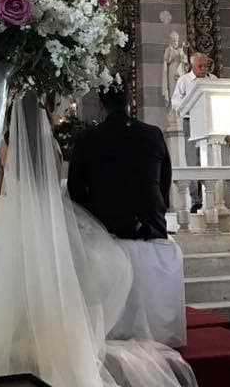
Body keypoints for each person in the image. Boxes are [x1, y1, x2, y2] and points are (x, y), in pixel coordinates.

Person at [0, 94, 196, 387]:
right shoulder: (54, 146)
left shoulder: (5, 145)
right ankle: (51, 339)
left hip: (10, 212)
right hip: (50, 217)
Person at [68, 86, 186, 348]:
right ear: (131, 102)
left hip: (109, 228)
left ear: (102, 105)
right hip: (152, 226)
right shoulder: (153, 134)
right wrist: (154, 212)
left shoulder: (89, 138)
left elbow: (75, 191)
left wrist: (96, 218)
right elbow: (165, 180)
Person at [171, 53, 216, 212]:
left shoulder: (213, 80)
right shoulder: (184, 81)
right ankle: (195, 199)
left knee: (210, 159)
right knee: (192, 159)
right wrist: (190, 103)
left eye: (206, 66)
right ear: (192, 66)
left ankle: (210, 197)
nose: (204, 69)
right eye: (200, 66)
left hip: (210, 123)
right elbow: (175, 102)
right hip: (190, 121)